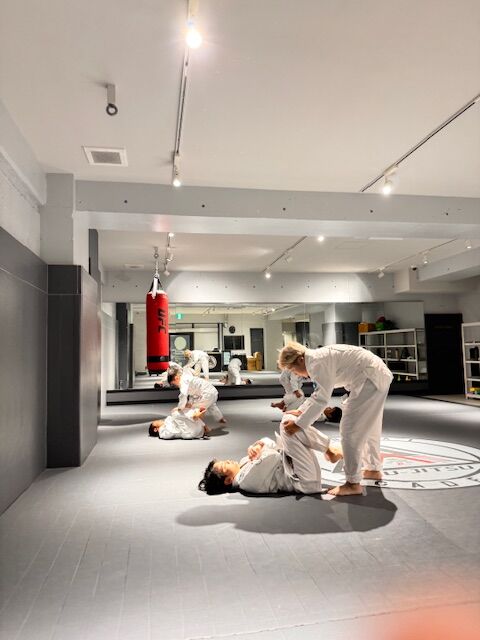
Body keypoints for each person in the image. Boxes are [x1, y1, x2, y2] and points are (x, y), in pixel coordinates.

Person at [278, 342, 393, 497]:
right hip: (375, 375)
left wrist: (298, 424)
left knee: (350, 430)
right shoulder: (316, 359)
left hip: (370, 378)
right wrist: (300, 411)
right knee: (370, 427)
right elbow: (318, 395)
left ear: (300, 359)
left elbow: (321, 398)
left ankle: (353, 483)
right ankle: (373, 469)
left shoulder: (317, 363)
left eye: (293, 370)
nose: (297, 374)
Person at [198, 415, 342, 495]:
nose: (228, 460)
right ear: (228, 480)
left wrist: (258, 445)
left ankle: (330, 449)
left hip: (297, 468)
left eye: (225, 460)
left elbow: (272, 445)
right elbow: (274, 456)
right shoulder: (246, 481)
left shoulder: (243, 463)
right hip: (304, 480)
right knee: (288, 424)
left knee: (290, 421)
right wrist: (260, 448)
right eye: (225, 465)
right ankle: (329, 449)